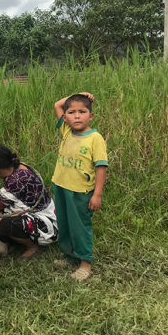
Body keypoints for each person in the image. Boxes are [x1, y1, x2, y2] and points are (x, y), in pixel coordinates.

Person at [52, 92, 108, 281]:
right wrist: (79, 93)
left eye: (82, 111)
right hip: (60, 186)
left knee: (79, 227)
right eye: (72, 112)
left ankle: (85, 262)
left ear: (90, 116)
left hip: (80, 192)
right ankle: (69, 256)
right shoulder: (66, 131)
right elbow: (57, 105)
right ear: (66, 118)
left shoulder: (95, 138)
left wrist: (97, 194)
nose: (77, 116)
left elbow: (101, 167)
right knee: (65, 224)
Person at [0, 145, 57, 259]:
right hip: (34, 212)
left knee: (4, 223)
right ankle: (13, 238)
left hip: (45, 222)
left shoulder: (15, 180)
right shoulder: (20, 167)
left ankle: (31, 246)